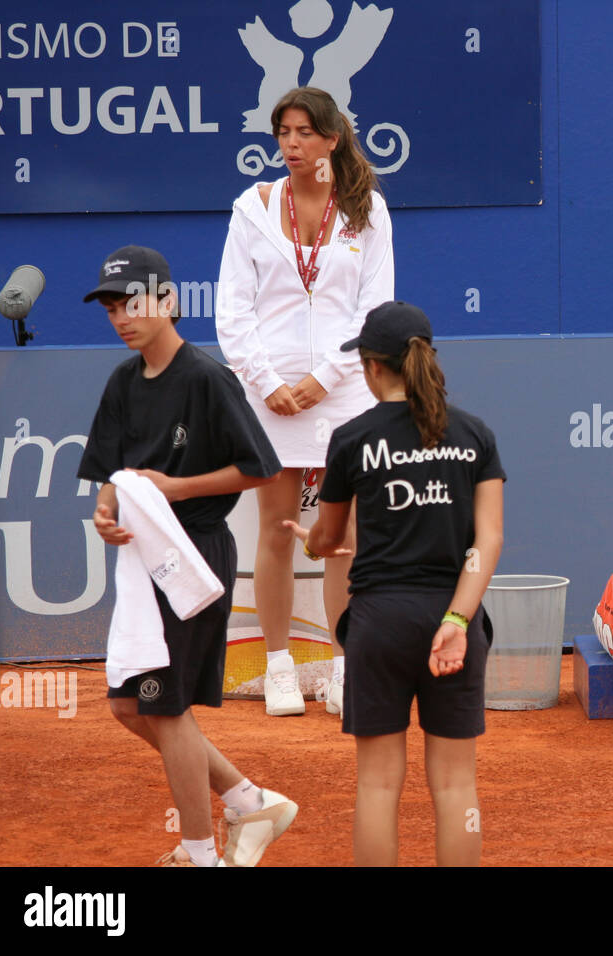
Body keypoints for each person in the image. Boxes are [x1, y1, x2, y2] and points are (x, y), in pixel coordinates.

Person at [77, 245, 298, 866]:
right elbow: (112, 472)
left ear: (168, 302)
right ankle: (250, 801)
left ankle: (200, 853)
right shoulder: (123, 380)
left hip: (194, 558)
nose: (123, 316)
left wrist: (179, 489)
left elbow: (259, 468)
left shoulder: (206, 377)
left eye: (134, 302)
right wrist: (105, 509)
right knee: (129, 703)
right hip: (142, 562)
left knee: (164, 706)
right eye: (113, 306)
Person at [286, 301, 505, 866]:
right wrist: (457, 620)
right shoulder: (475, 434)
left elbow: (330, 539)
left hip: (379, 625)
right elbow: (488, 543)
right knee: (457, 788)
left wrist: (308, 537)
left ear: (371, 367)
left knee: (378, 785)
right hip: (454, 622)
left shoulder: (351, 438)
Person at [216, 86, 394, 718]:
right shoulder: (254, 207)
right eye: (282, 134)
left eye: (303, 133)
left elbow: (375, 309)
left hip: (344, 394)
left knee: (342, 537)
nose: (291, 145)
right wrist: (267, 383)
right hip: (270, 398)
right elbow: (232, 310)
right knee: (274, 531)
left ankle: (346, 667)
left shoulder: (367, 209)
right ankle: (279, 665)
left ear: (331, 139)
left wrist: (325, 378)